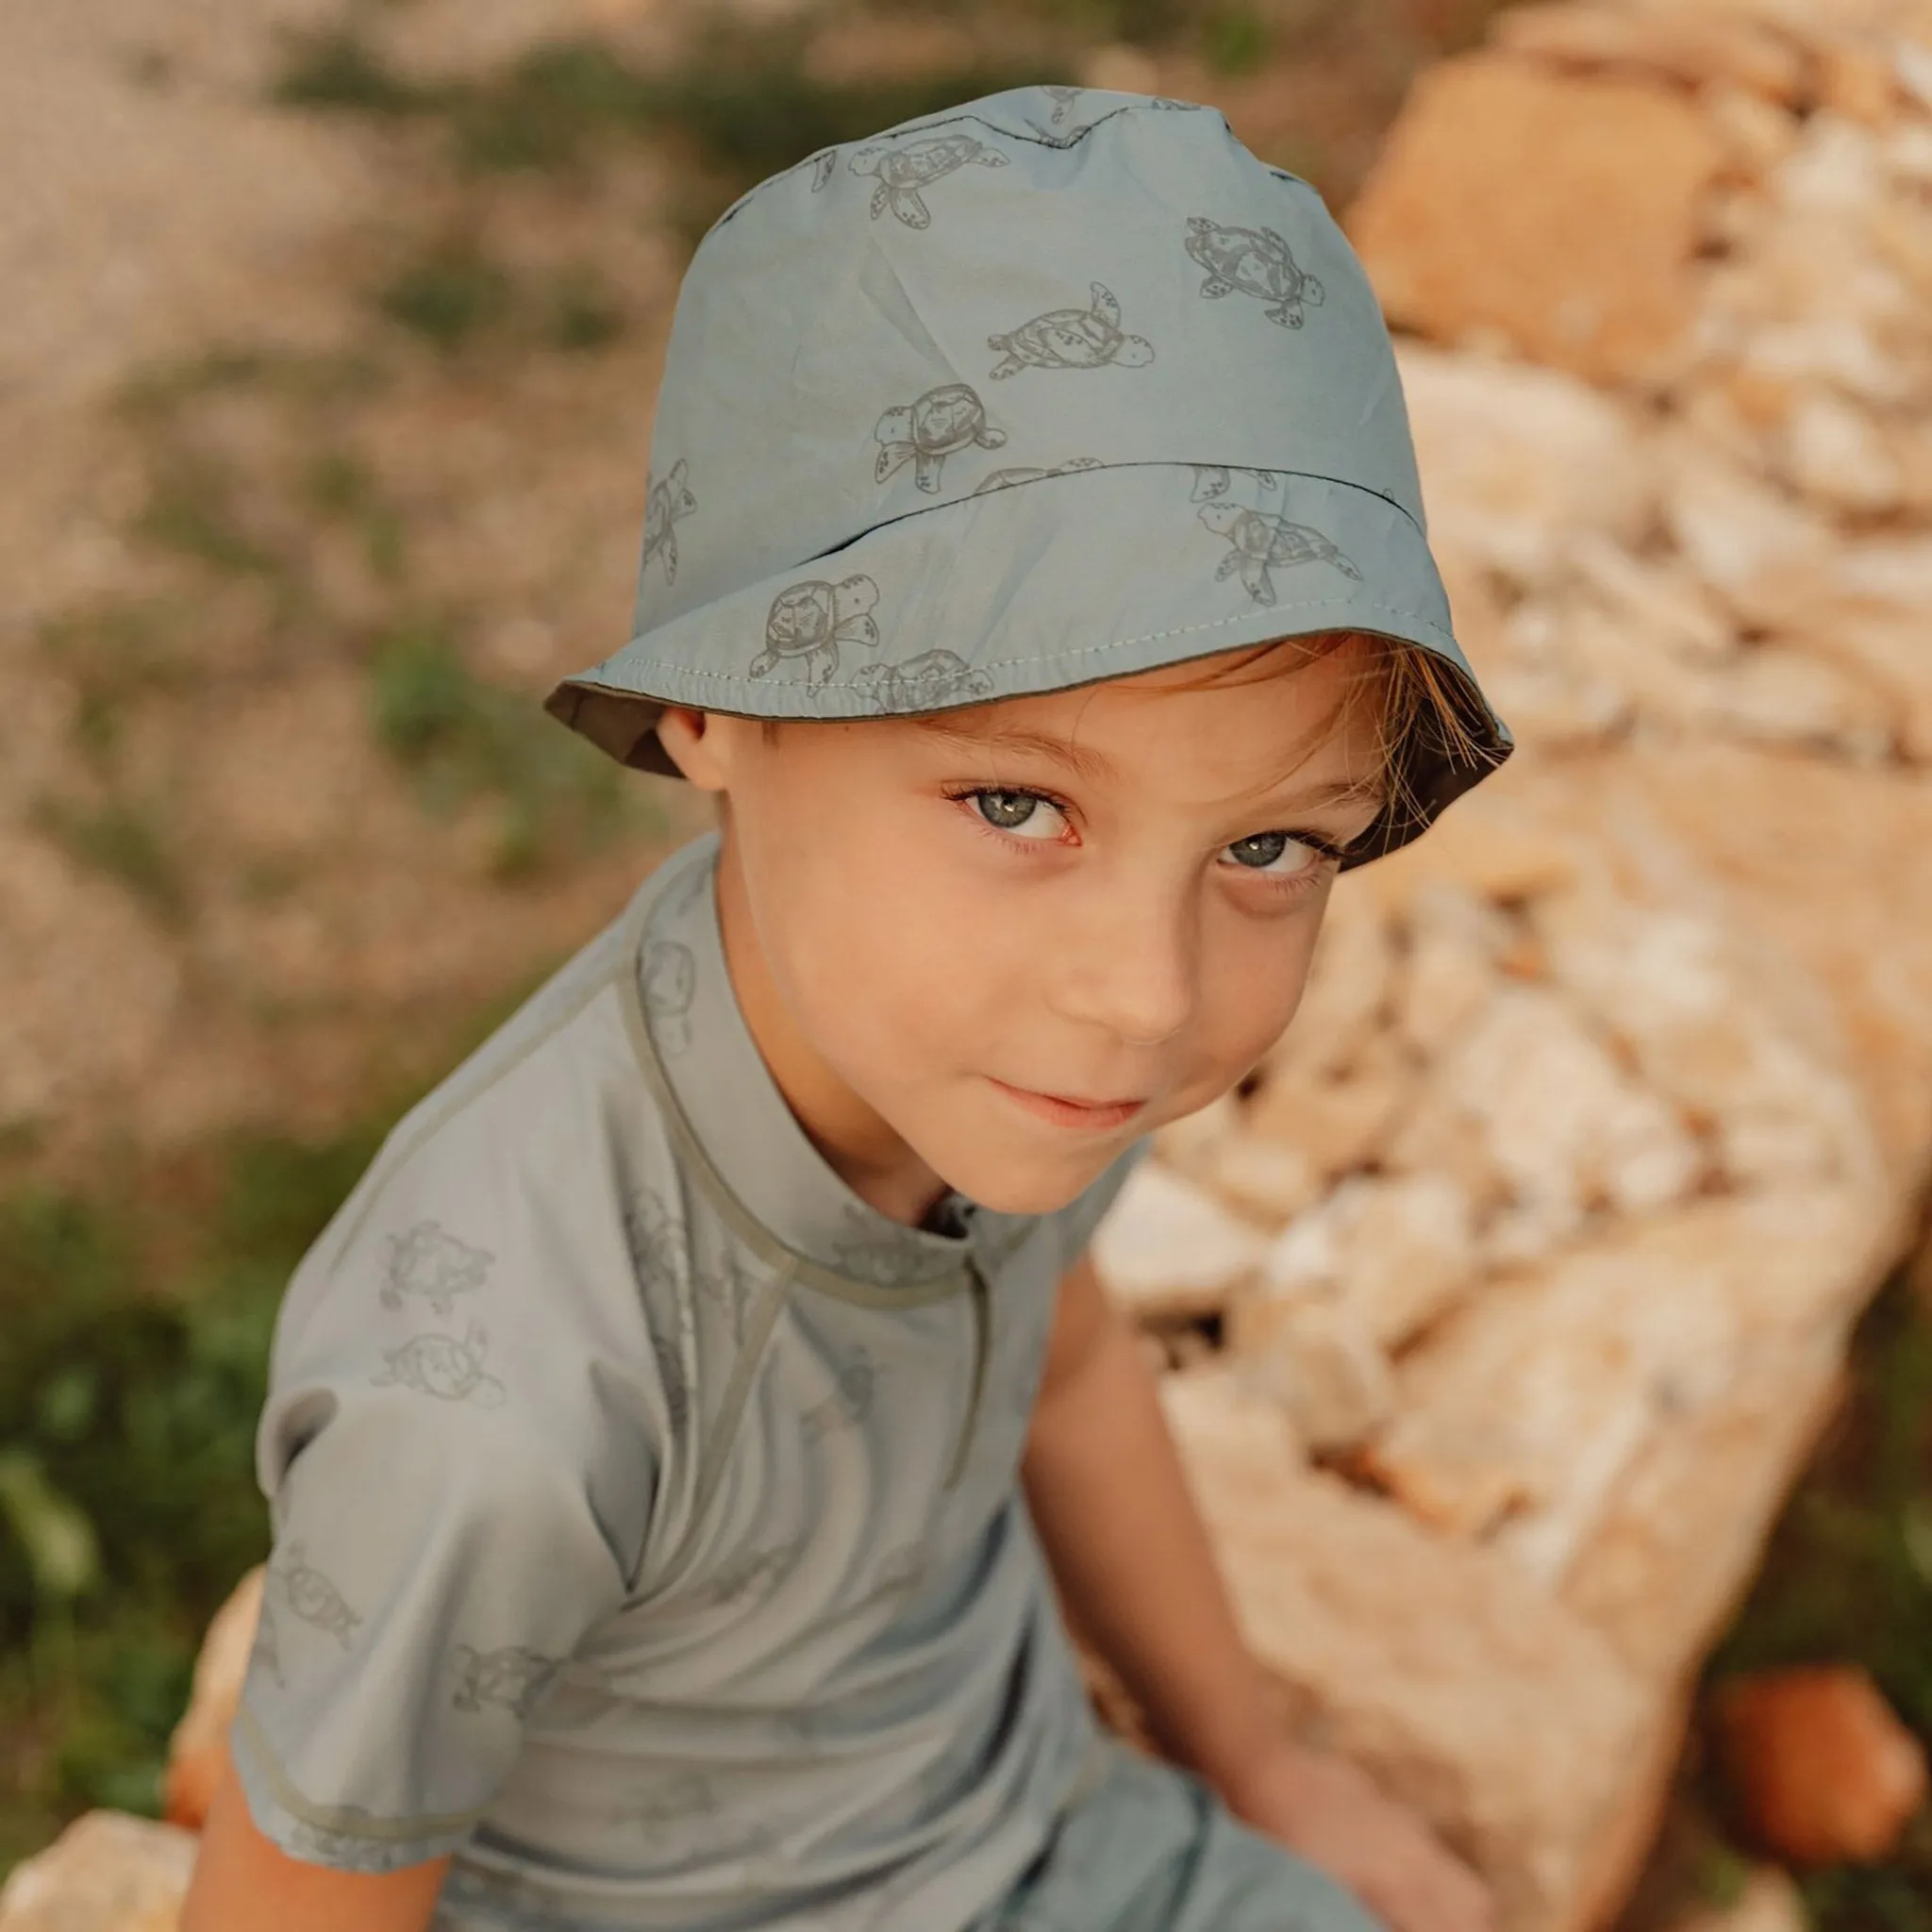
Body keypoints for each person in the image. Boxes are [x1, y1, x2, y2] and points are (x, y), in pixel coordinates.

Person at [179, 83, 1511, 1932]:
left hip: (1058, 1851)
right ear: (717, 712)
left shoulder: (992, 1073)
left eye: (1270, 844)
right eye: (1016, 805)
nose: (1143, 998)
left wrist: (1259, 1769)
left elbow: (1065, 1361)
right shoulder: (504, 1403)